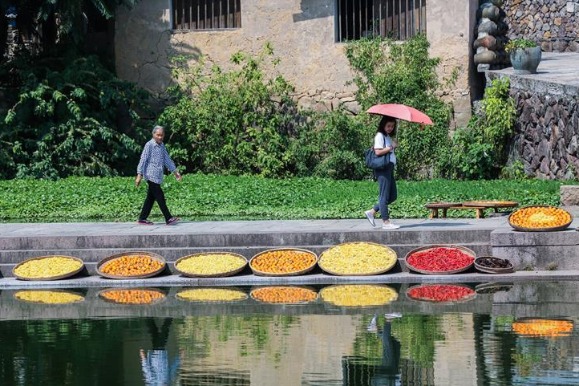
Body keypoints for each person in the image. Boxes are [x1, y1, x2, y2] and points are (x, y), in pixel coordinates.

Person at [136, 125, 182, 225]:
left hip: (157, 176)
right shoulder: (149, 145)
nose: (160, 137)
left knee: (150, 198)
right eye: (158, 135)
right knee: (160, 196)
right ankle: (168, 218)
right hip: (150, 175)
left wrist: (175, 172)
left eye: (162, 135)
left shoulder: (161, 146)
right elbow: (143, 159)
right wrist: (139, 175)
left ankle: (142, 218)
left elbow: (167, 159)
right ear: (153, 135)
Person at [364, 116, 400, 230]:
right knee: (384, 196)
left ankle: (372, 211)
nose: (390, 128)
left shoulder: (387, 137)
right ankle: (386, 222)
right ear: (383, 125)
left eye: (392, 126)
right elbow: (378, 151)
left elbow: (388, 150)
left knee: (393, 196)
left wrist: (393, 146)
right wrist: (391, 147)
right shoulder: (379, 136)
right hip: (383, 168)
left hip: (389, 167)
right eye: (388, 126)